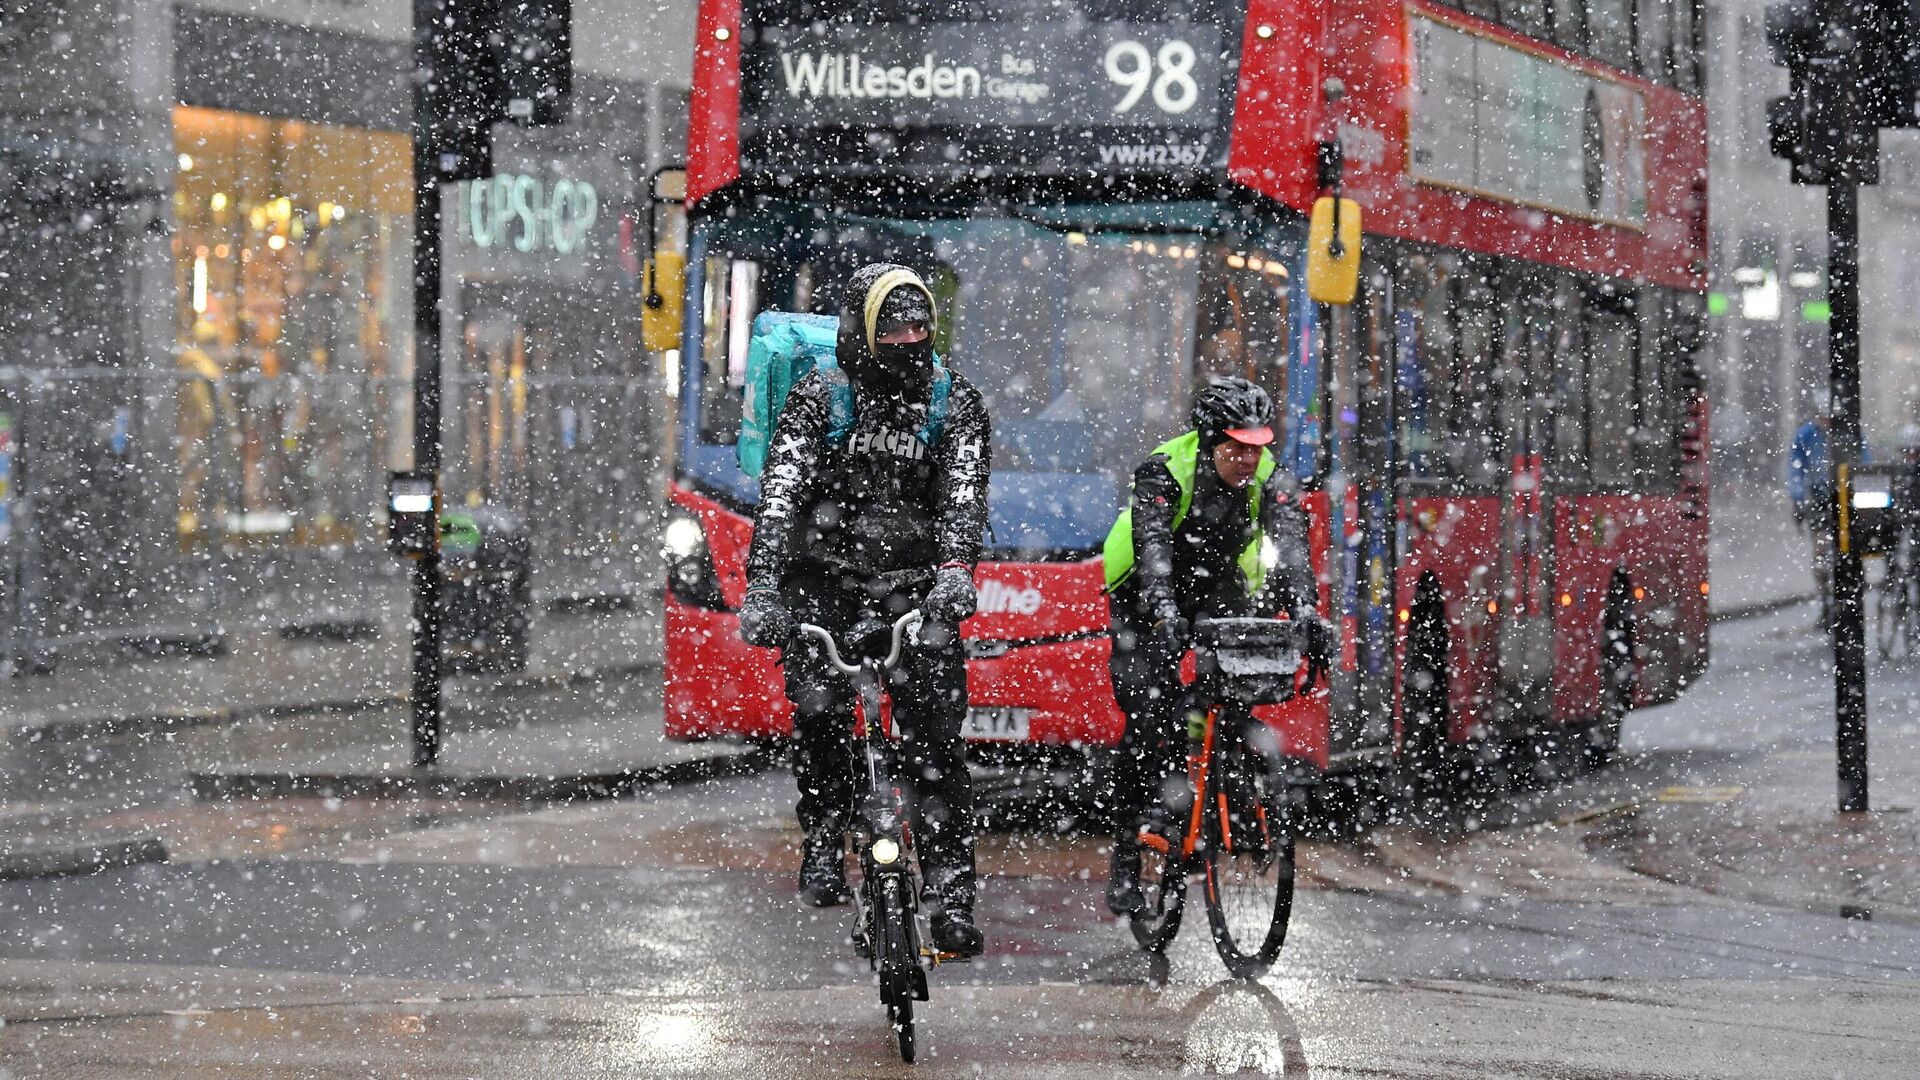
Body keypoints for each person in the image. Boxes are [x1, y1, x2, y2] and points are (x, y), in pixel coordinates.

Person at [737, 263, 993, 958]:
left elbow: (963, 499)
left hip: (917, 586)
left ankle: (950, 894)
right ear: (863, 331)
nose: (911, 339)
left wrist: (954, 576)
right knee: (819, 711)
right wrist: (763, 588)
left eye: (921, 326)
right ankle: (823, 834)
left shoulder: (956, 403)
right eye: (895, 327)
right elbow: (781, 496)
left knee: (936, 741)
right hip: (822, 582)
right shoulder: (821, 399)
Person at [1099, 375, 1327, 917]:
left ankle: (1232, 789)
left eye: (1257, 446)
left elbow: (1292, 548)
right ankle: (1128, 855)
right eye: (1236, 448)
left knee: (1236, 685)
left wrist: (1307, 612)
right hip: (1142, 589)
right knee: (1149, 710)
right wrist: (1162, 613)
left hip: (1216, 582)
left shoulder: (1270, 475)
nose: (1249, 459)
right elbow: (1152, 549)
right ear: (1208, 440)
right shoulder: (1165, 471)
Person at [1788, 407, 1868, 623]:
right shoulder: (1806, 434)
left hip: (1846, 494)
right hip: (1819, 495)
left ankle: (1847, 595)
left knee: (1849, 545)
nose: (1826, 423)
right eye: (1822, 418)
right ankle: (1825, 598)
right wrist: (1797, 497)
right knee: (1821, 550)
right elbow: (1796, 467)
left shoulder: (1849, 432)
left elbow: (1864, 458)